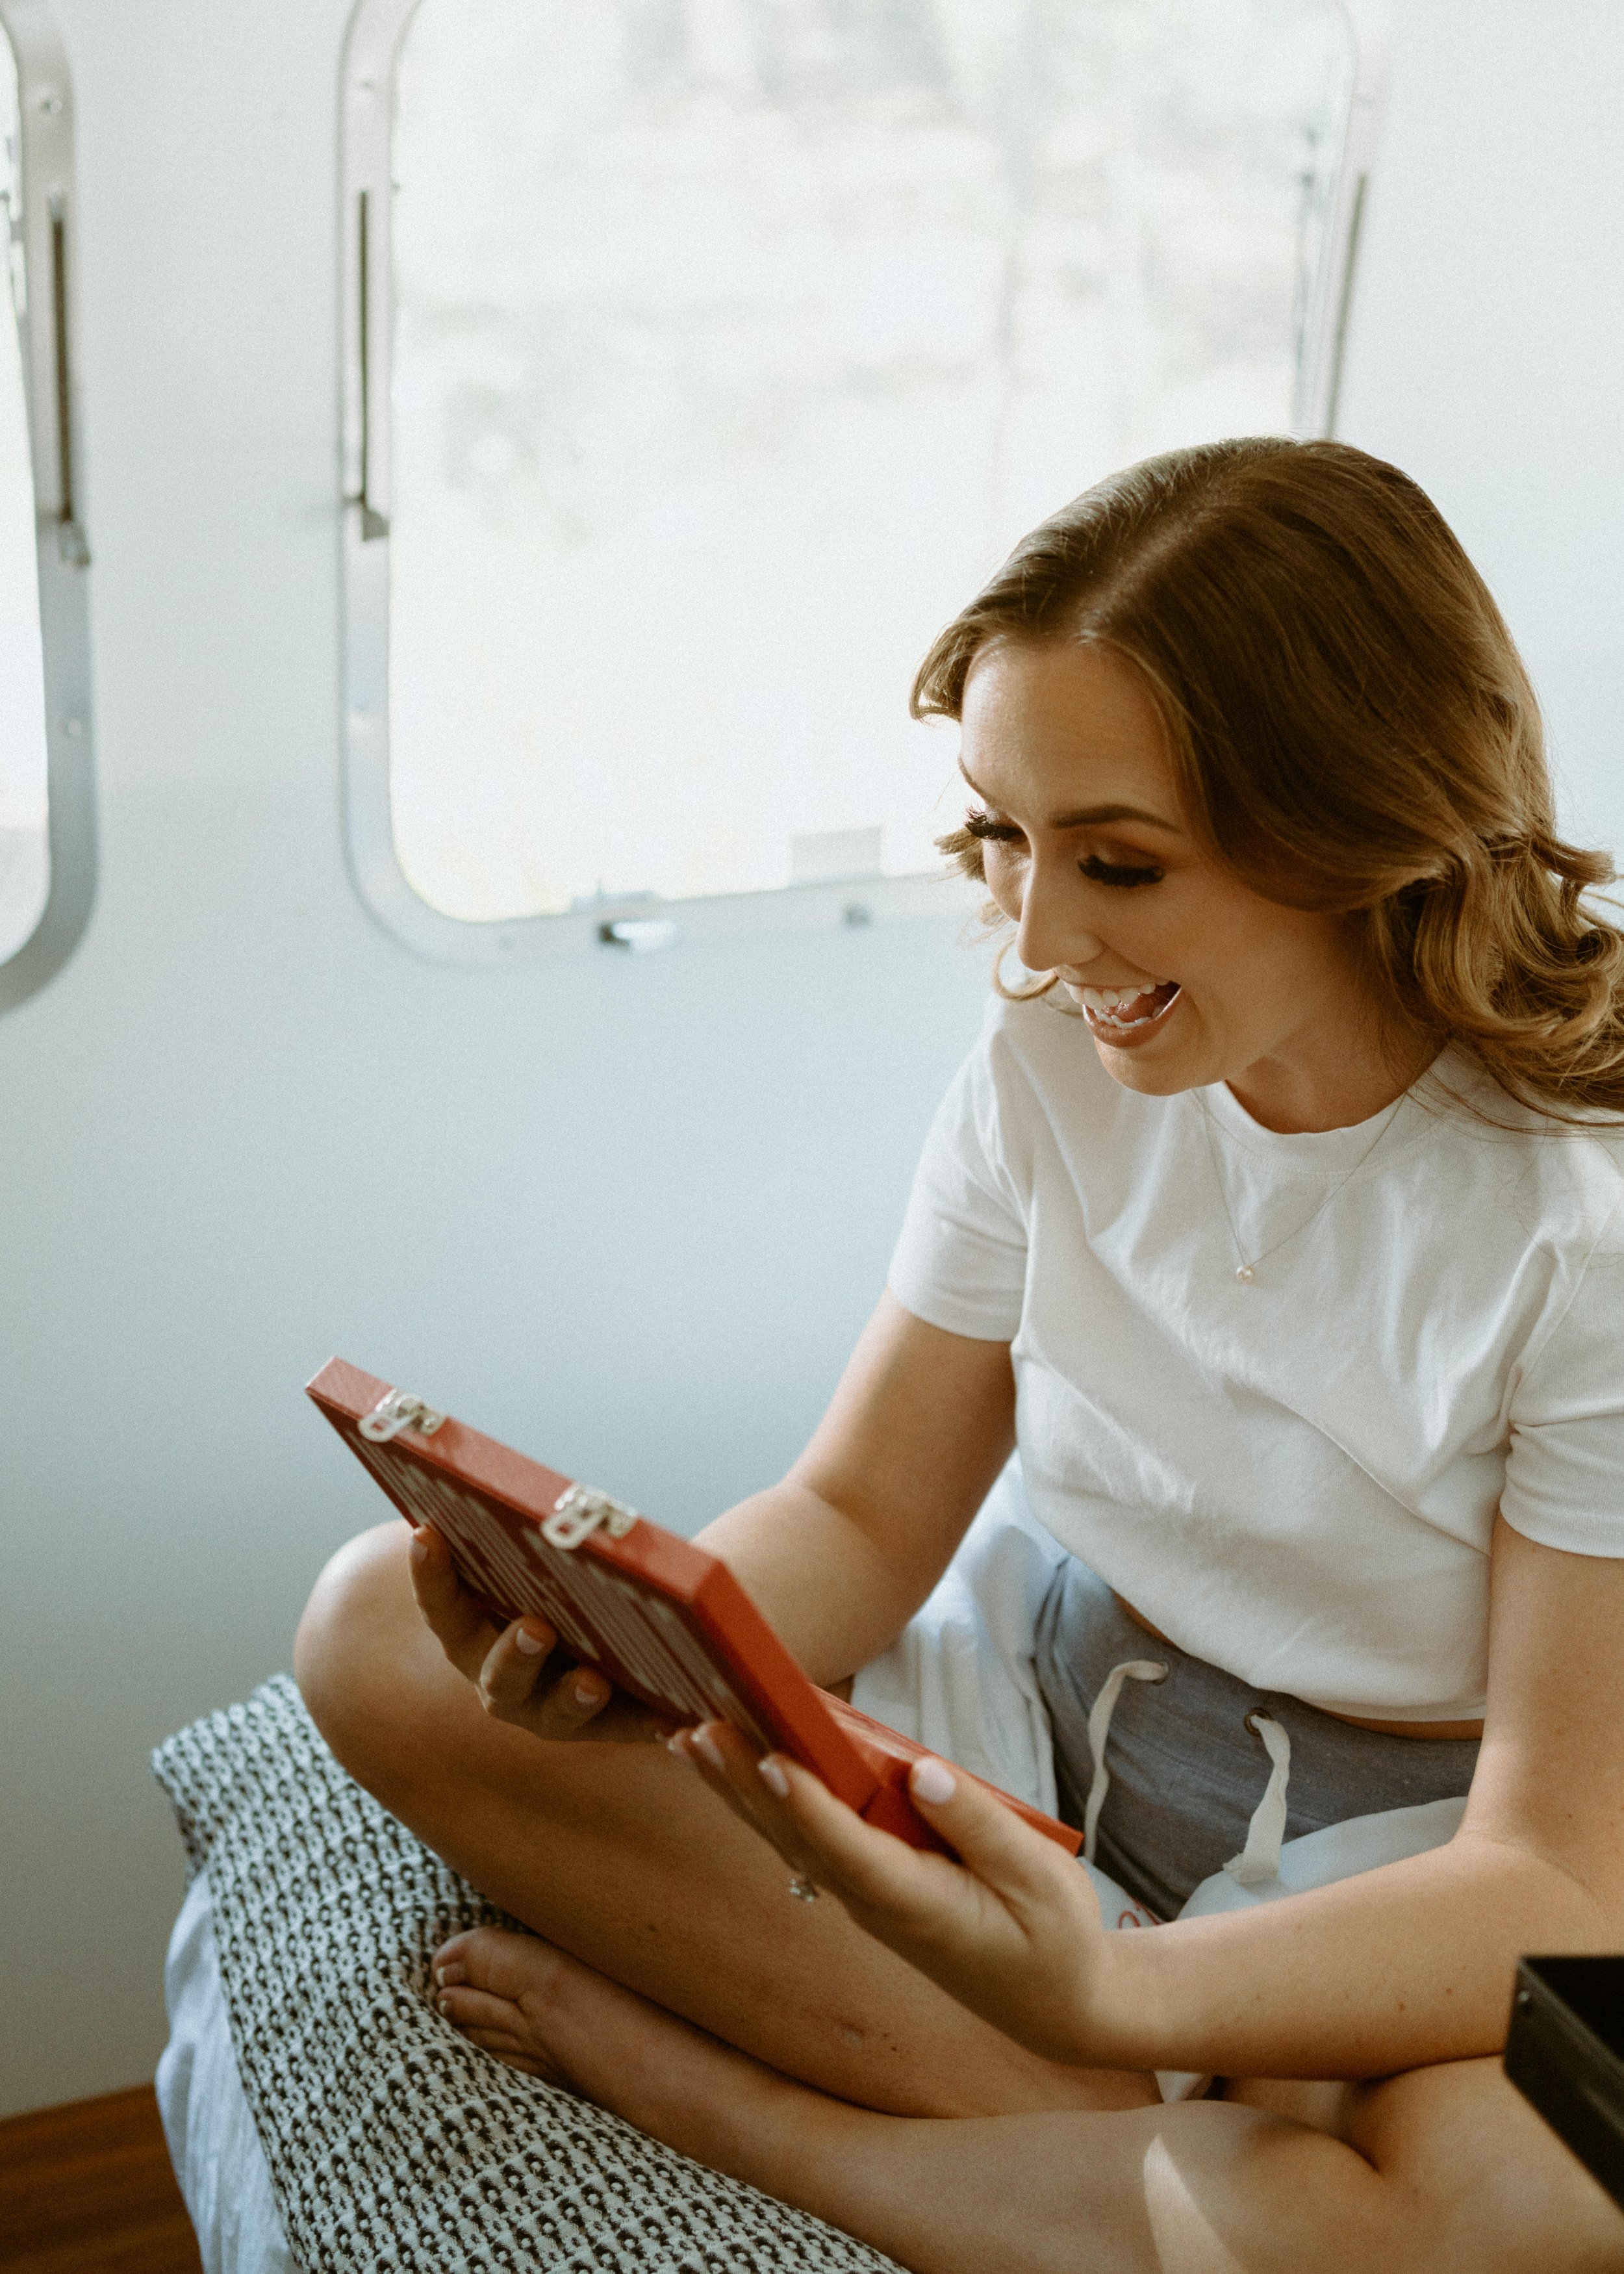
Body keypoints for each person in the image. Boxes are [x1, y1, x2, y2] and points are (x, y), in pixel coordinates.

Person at [296, 437, 1624, 2273]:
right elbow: (855, 1510)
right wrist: (650, 1662)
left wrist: (1105, 1990)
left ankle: (760, 2107)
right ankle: (1137, 2149)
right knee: (372, 1625)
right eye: (1001, 836)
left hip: (1405, 1843)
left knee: (1504, 2215)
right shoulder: (1057, 1059)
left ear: (1361, 827)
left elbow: (1556, 1875)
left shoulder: (1580, 1225)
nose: (1030, 943)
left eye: (1119, 863)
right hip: (1041, 1704)